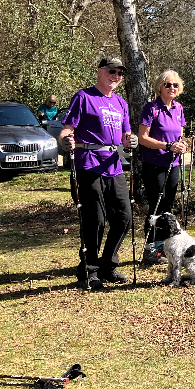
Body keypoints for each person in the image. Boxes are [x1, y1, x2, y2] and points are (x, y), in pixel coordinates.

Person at [59, 57, 136, 290]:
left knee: (124, 218)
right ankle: (88, 271)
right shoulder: (84, 97)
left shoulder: (121, 103)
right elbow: (67, 129)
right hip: (88, 164)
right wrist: (64, 141)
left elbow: (126, 136)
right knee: (96, 220)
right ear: (100, 71)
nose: (116, 76)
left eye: (120, 73)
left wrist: (130, 141)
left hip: (114, 165)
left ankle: (108, 265)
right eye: (112, 71)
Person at [138, 70, 188, 250]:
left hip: (173, 164)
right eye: (168, 84)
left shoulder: (179, 108)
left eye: (175, 85)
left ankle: (164, 244)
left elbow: (180, 135)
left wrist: (183, 145)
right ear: (160, 87)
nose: (172, 88)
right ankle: (151, 246)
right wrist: (167, 146)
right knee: (156, 206)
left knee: (167, 207)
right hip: (154, 164)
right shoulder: (151, 108)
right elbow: (143, 138)